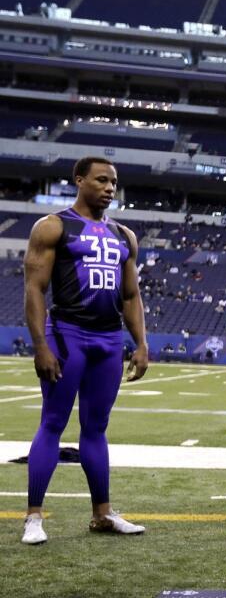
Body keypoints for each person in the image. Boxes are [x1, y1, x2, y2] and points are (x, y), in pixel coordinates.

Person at [21, 157, 149, 545]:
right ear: (79, 180)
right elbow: (34, 289)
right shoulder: (53, 226)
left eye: (113, 182)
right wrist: (41, 345)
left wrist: (141, 344)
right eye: (101, 180)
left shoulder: (124, 235)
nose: (110, 187)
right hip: (67, 335)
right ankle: (33, 517)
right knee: (53, 422)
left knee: (96, 428)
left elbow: (130, 295)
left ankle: (102, 514)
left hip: (109, 341)